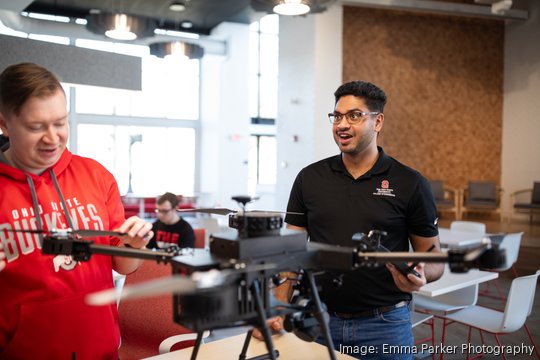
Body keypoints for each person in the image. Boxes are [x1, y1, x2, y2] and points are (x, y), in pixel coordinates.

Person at [260, 80, 444, 359]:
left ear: (378, 121)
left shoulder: (410, 183)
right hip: (318, 319)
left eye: (354, 116)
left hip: (385, 325)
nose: (341, 124)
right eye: (337, 116)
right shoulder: (309, 178)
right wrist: (279, 306)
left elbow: (432, 258)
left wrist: (420, 274)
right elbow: (292, 252)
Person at [0, 62, 154, 359]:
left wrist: (133, 246)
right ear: (5, 124)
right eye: (36, 126)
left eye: (60, 123)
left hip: (102, 350)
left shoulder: (96, 175)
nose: (52, 137)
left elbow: (123, 266)